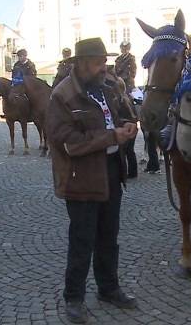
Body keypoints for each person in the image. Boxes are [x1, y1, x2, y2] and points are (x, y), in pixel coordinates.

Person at [46, 37, 138, 324]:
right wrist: (111, 137)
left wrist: (128, 124)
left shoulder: (107, 88)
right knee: (82, 240)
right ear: (82, 63)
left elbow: (121, 115)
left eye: (105, 62)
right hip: (80, 177)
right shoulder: (62, 96)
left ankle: (108, 289)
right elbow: (67, 143)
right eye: (99, 62)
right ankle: (73, 297)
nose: (104, 68)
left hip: (111, 170)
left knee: (109, 237)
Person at [106, 65, 138, 178]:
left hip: (127, 127)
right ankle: (133, 172)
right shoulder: (127, 98)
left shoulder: (121, 100)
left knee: (124, 152)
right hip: (131, 126)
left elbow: (121, 114)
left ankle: (125, 173)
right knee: (130, 152)